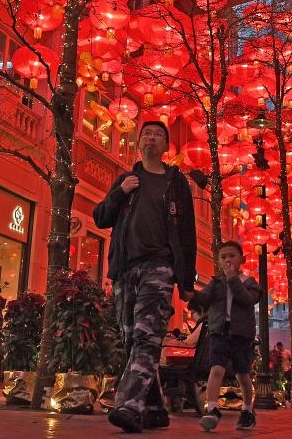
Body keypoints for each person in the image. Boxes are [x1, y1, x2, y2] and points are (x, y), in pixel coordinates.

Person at [94, 120, 197, 434]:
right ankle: (155, 408)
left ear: (167, 147)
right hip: (126, 269)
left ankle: (130, 405)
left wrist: (186, 281)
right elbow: (100, 218)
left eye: (159, 135)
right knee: (131, 339)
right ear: (138, 143)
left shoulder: (175, 182)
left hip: (159, 266)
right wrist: (119, 194)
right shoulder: (126, 179)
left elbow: (187, 232)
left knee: (146, 336)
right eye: (147, 134)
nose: (152, 138)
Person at [191, 240, 261, 431]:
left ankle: (247, 411)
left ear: (242, 259)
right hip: (219, 332)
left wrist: (233, 279)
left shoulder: (250, 282)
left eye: (232, 256)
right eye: (223, 257)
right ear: (219, 261)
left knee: (242, 375)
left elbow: (247, 300)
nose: (228, 260)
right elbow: (204, 298)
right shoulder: (216, 283)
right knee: (216, 370)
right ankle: (212, 409)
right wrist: (191, 294)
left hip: (241, 335)